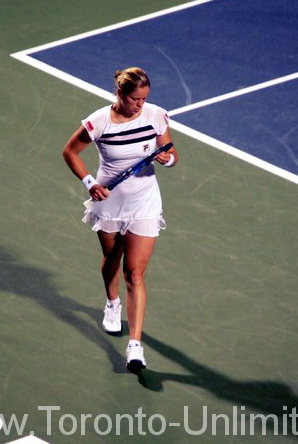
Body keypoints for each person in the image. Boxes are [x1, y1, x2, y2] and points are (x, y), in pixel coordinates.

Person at [62, 67, 178, 372]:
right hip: (110, 201)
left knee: (135, 274)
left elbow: (169, 149)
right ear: (120, 94)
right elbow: (70, 151)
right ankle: (112, 304)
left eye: (144, 99)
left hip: (144, 201)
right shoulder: (98, 121)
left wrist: (169, 159)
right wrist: (90, 183)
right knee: (111, 257)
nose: (140, 105)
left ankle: (135, 346)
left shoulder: (155, 115)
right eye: (135, 99)